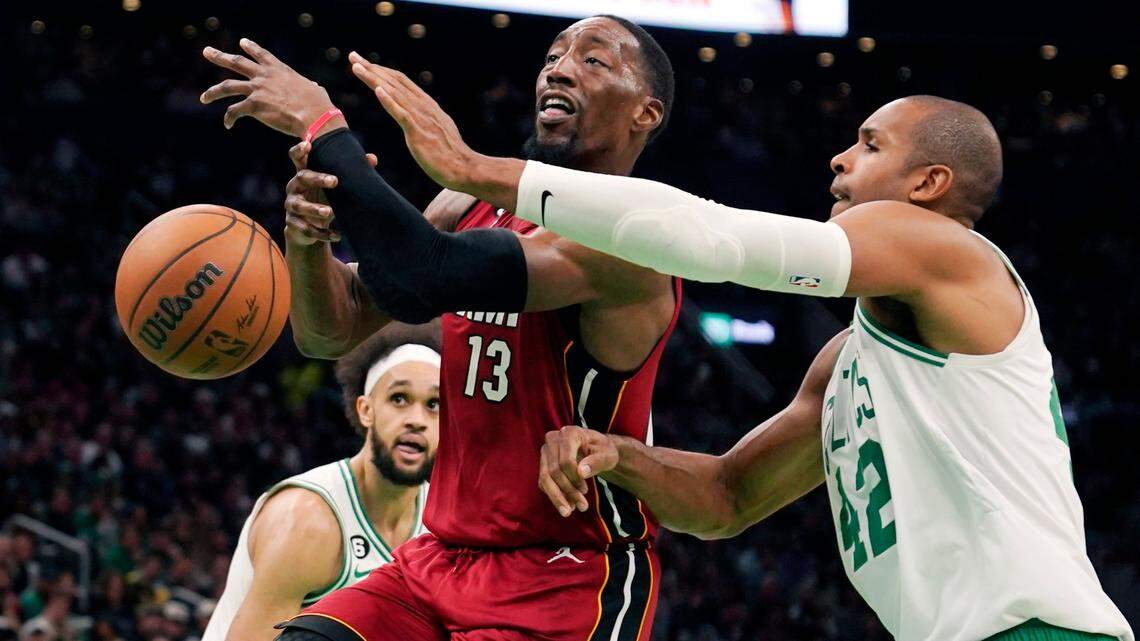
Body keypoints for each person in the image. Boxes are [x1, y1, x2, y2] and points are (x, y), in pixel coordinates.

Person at [352, 71, 1136, 641]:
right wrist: (616, 452)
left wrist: (478, 172)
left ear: (929, 183)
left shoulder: (946, 249)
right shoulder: (847, 359)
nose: (839, 158)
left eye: (868, 144)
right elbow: (726, 497)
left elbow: (714, 239)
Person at [200, 15, 682, 641]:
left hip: (565, 580)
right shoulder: (469, 206)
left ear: (645, 114)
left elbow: (423, 272)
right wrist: (309, 238)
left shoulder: (632, 238)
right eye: (554, 56)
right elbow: (331, 331)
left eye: (594, 61)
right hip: (441, 559)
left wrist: (322, 126)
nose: (558, 69)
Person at [201, 323, 440, 641]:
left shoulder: (442, 524)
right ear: (366, 410)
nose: (416, 419)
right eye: (399, 398)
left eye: (434, 405)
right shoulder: (306, 521)